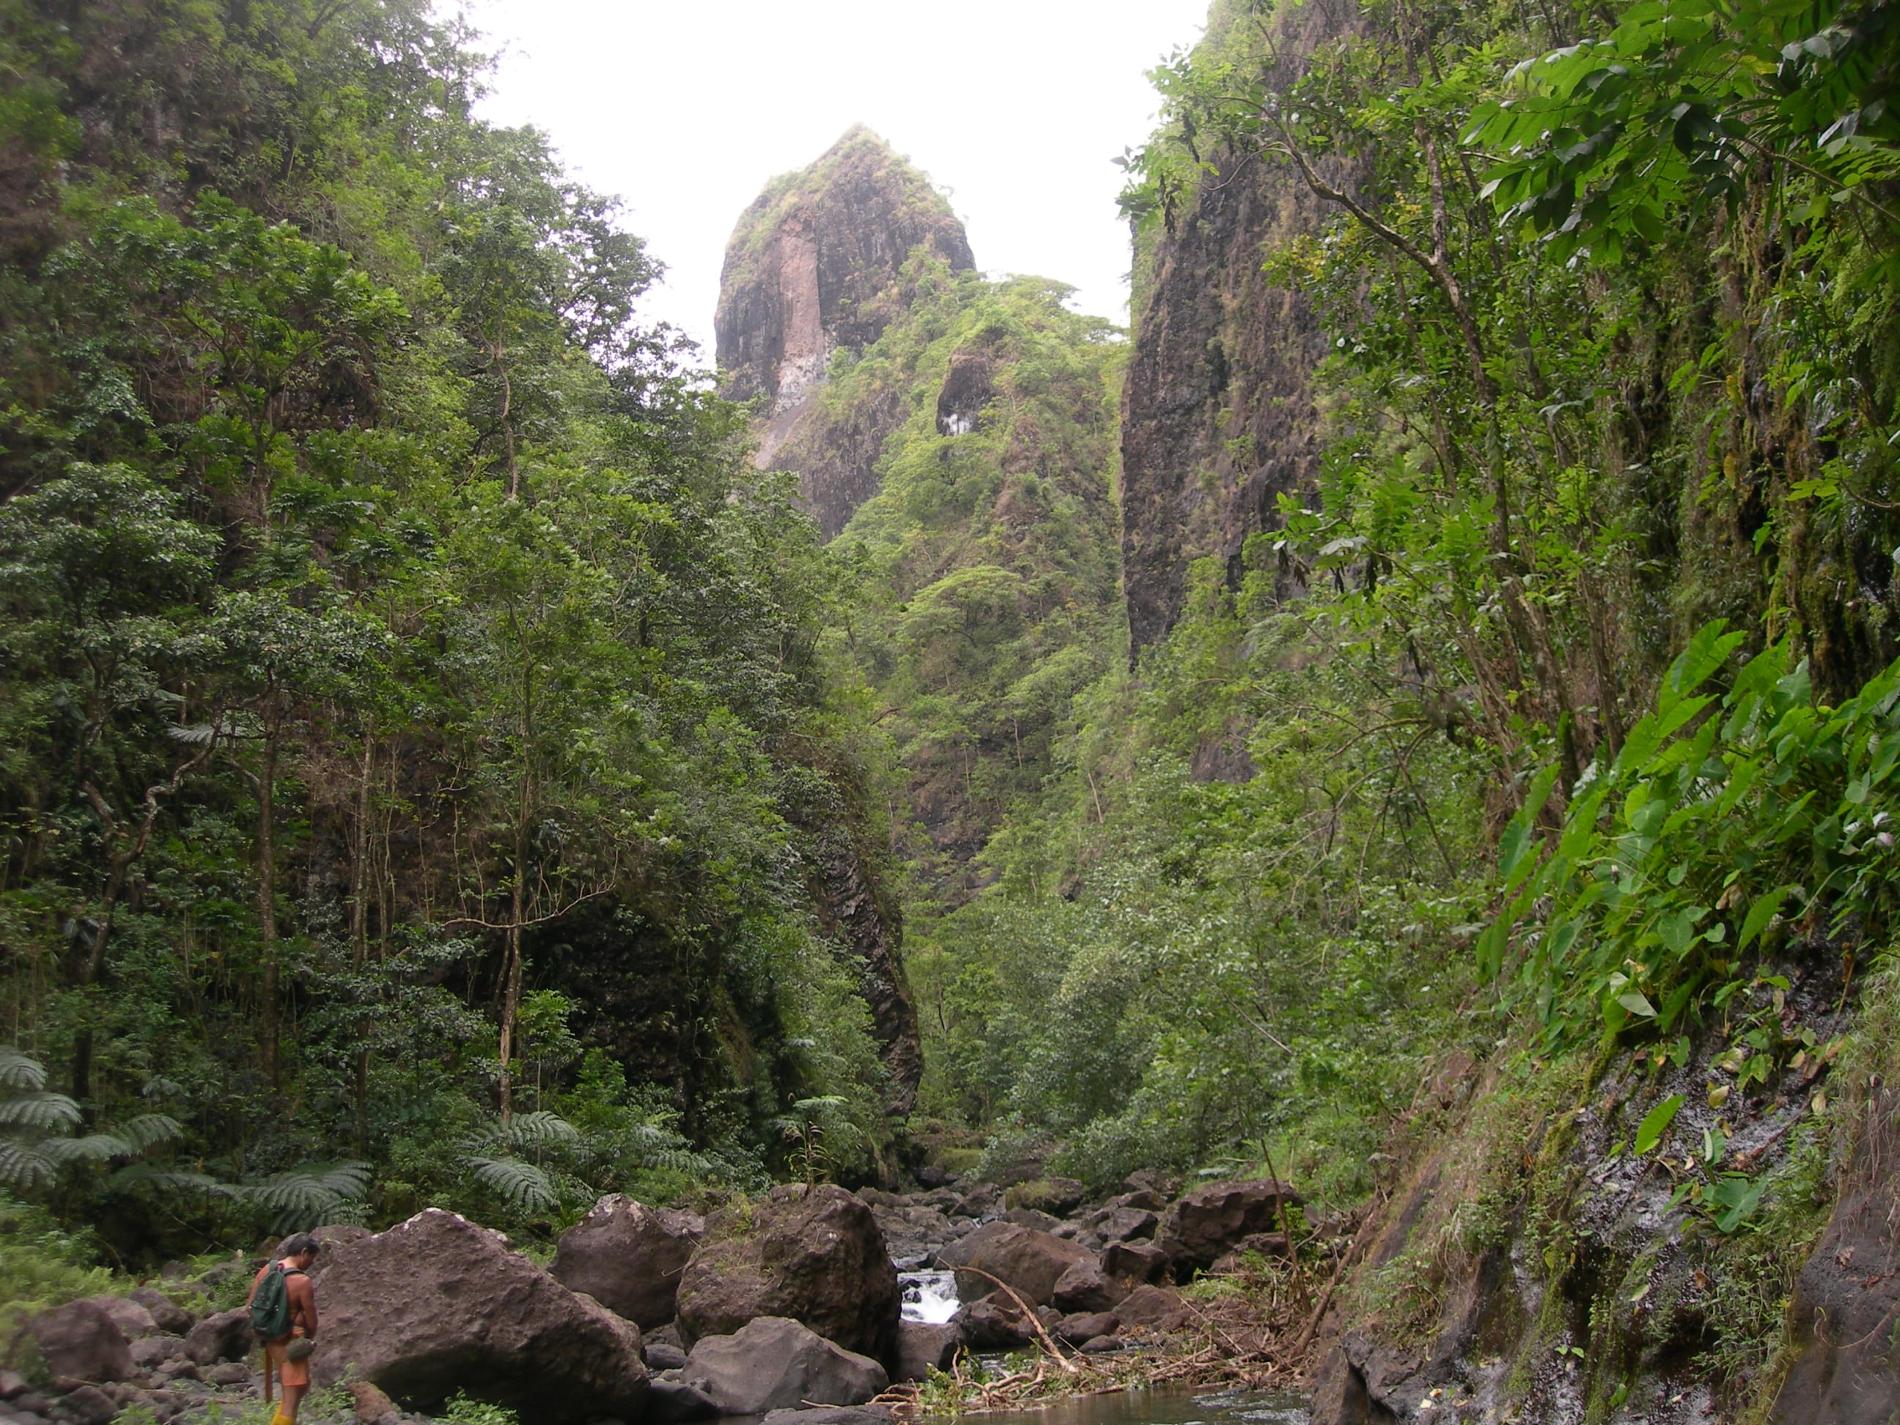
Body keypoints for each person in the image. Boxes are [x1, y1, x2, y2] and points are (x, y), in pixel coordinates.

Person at [247, 1233, 321, 1425]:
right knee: (292, 1395)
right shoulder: (302, 1281)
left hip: (270, 1339)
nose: (311, 1264)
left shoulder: (267, 1270)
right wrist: (305, 1336)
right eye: (312, 1258)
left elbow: (250, 1307)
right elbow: (312, 1320)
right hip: (290, 1340)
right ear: (304, 1252)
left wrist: (268, 1331)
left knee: (301, 1386)